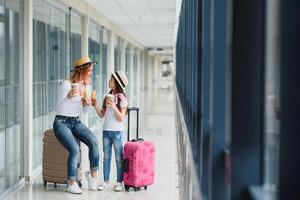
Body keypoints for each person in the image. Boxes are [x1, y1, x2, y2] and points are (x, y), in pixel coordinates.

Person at [53, 56, 99, 194]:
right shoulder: (66, 84)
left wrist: (87, 104)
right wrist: (68, 96)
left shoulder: (88, 87)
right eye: (89, 70)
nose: (91, 72)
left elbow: (83, 110)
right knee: (75, 150)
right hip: (61, 122)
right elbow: (58, 107)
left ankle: (92, 176)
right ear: (82, 70)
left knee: (94, 142)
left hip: (76, 121)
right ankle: (71, 183)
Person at [92, 71, 128, 192]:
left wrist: (113, 106)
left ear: (116, 83)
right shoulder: (107, 96)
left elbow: (121, 118)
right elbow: (102, 114)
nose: (108, 81)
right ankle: (105, 182)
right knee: (106, 157)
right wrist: (95, 105)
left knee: (119, 158)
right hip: (106, 131)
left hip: (117, 132)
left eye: (111, 80)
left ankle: (119, 182)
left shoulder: (122, 99)